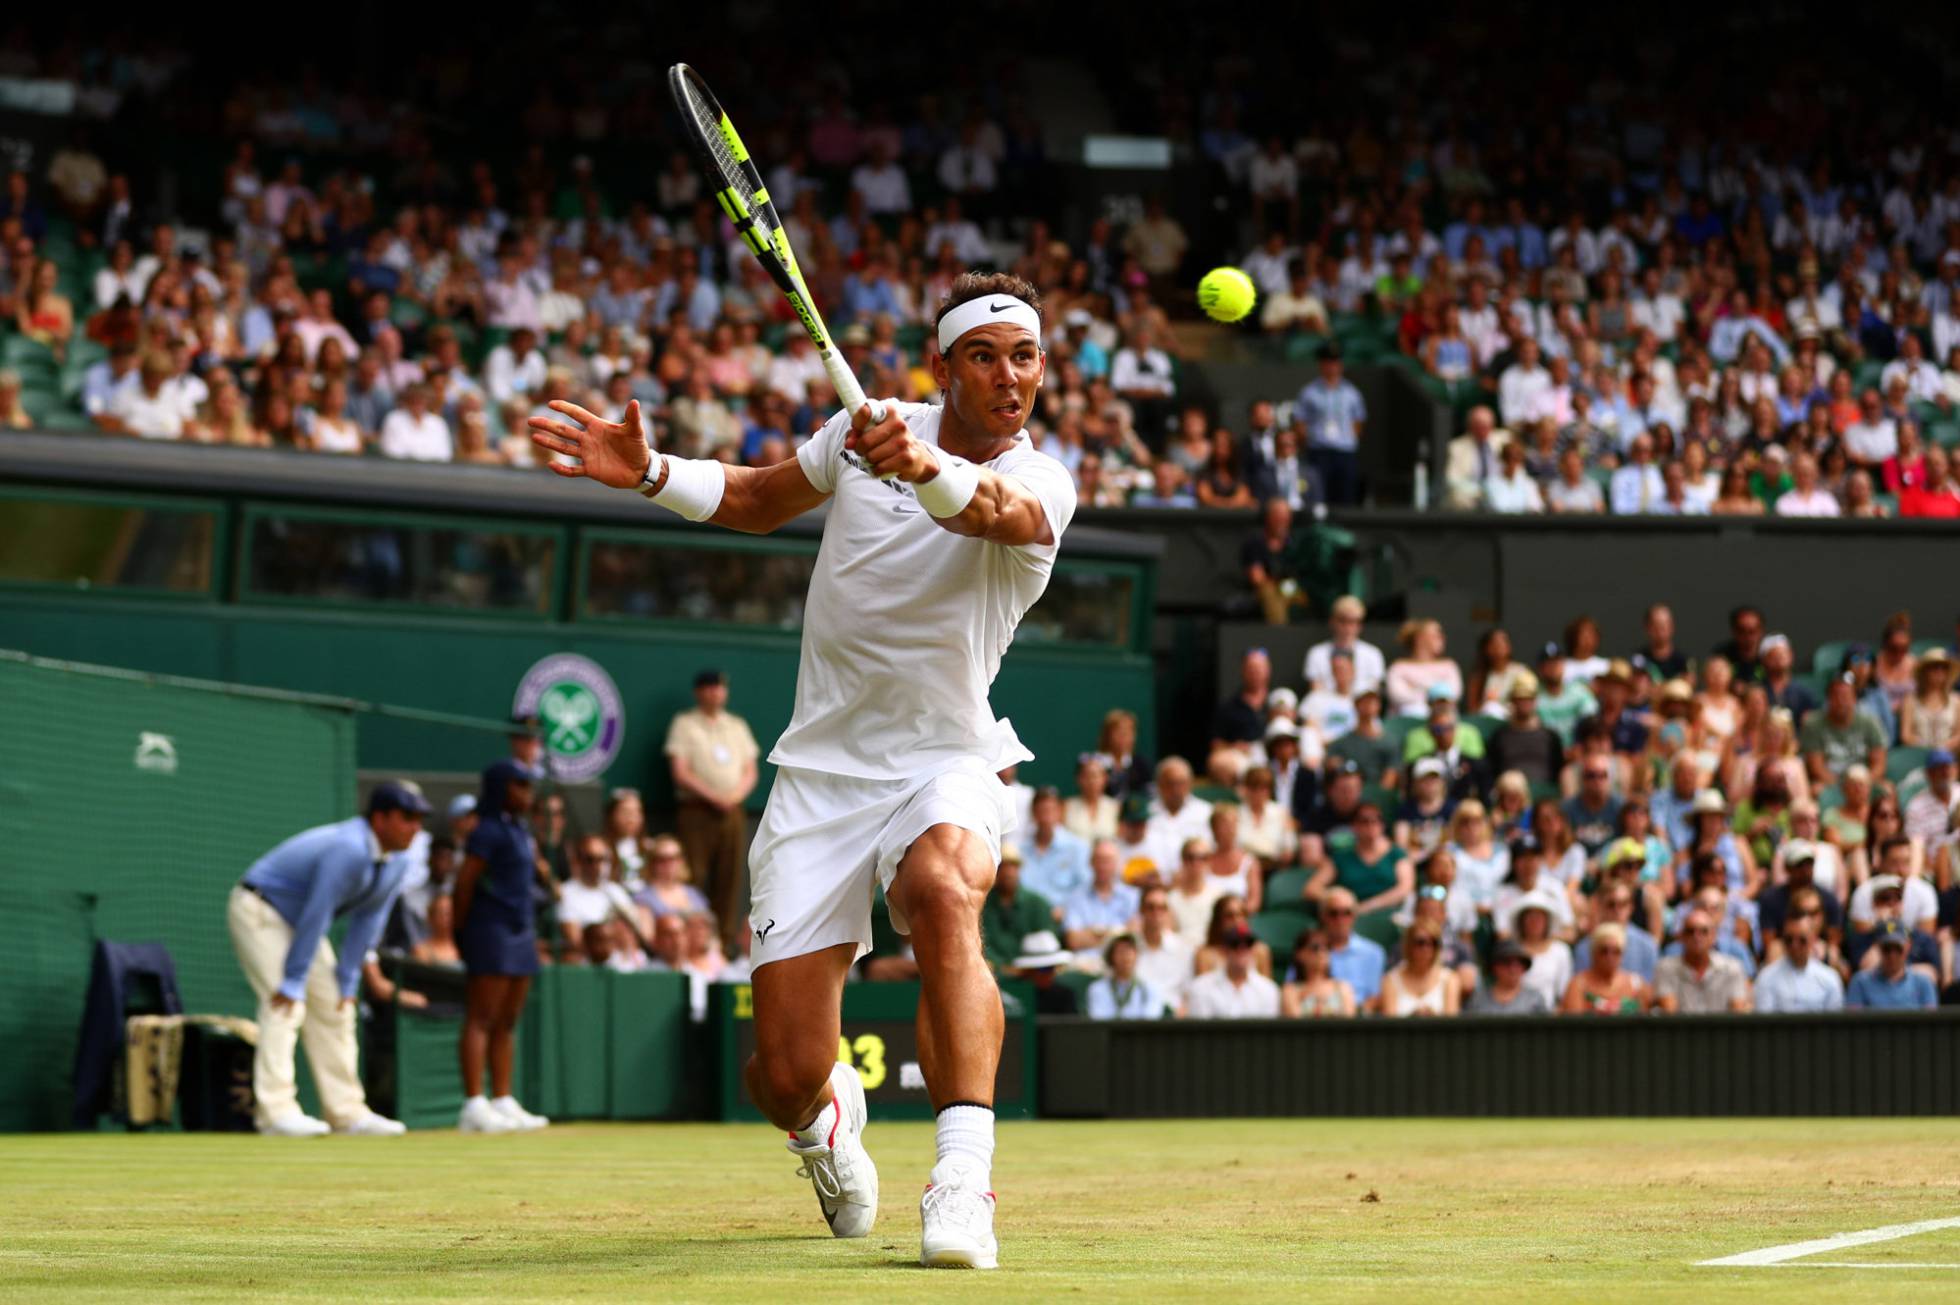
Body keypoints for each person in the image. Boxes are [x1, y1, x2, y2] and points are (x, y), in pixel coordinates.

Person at [532, 271, 1075, 1268]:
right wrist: (653, 472)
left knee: (944, 890)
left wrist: (921, 465)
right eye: (985, 356)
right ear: (944, 366)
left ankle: (962, 1181)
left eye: (1026, 356)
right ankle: (823, 1124)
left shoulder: (1044, 480)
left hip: (943, 758)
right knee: (781, 1072)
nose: (1011, 377)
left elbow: (990, 512)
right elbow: (752, 498)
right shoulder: (860, 435)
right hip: (820, 776)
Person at [227, 780, 428, 1137]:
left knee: (337, 1003)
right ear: (379, 819)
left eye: (419, 819)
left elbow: (368, 920)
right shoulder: (348, 849)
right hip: (260, 909)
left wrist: (348, 979)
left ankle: (347, 1113)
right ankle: (275, 1114)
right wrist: (293, 979)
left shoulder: (398, 861)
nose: (415, 827)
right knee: (285, 1002)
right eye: (406, 817)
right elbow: (318, 913)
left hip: (299, 922)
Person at [453, 760, 551, 1134]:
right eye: (520, 786)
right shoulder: (486, 831)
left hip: (520, 931)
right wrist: (461, 932)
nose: (528, 793)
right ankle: (474, 1103)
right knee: (482, 1016)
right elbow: (464, 884)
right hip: (490, 930)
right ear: (500, 788)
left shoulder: (520, 830)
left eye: (529, 786)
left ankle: (502, 1099)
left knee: (507, 1020)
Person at [666, 668, 761, 954]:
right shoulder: (684, 723)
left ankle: (722, 943)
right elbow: (680, 772)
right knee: (693, 874)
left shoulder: (737, 725)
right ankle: (689, 941)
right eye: (708, 687)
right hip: (696, 810)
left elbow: (750, 771)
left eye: (719, 687)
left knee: (729, 878)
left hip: (732, 812)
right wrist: (713, 796)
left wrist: (733, 797)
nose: (714, 692)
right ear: (698, 692)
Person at [1652, 908, 1752, 1013]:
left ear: (1714, 936)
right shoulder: (1665, 968)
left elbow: (1738, 1012)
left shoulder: (1732, 968)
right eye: (1690, 931)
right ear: (1681, 936)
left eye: (1704, 931)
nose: (1697, 936)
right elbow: (1669, 1013)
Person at [980, 845, 1053, 975]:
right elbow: (982, 942)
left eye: (1013, 867)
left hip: (1032, 974)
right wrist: (1000, 966)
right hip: (993, 972)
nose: (1008, 872)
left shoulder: (1037, 903)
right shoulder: (982, 904)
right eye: (1003, 867)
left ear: (1019, 870)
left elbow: (1046, 942)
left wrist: (1027, 968)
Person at [1184, 926, 1282, 1018]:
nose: (1242, 949)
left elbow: (1268, 1033)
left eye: (1248, 944)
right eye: (1235, 944)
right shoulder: (1201, 987)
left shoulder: (1269, 990)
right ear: (1224, 950)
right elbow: (1200, 1032)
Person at [1753, 921, 1845, 1013]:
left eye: (1802, 940)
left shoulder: (1829, 978)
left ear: (1813, 940)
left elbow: (1834, 1023)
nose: (1794, 945)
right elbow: (1764, 1022)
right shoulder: (1767, 976)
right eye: (1789, 940)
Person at [1318, 886, 1386, 1011]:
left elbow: (1375, 997)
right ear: (1323, 916)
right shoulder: (1311, 950)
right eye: (1334, 913)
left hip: (1358, 1023)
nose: (1340, 919)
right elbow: (1295, 987)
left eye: (1346, 913)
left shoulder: (1373, 953)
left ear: (1354, 916)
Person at [1561, 923, 1652, 1014]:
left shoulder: (1636, 984)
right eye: (1604, 951)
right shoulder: (1579, 985)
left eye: (1616, 952)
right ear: (1594, 953)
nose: (1610, 956)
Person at [1303, 596, 1386, 695]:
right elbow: (1316, 693)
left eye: (1354, 621)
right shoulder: (1316, 653)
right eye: (1343, 621)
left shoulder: (1373, 654)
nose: (1348, 627)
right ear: (1332, 621)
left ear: (1360, 624)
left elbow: (1373, 694)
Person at [1133, 885, 1196, 1014]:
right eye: (1151, 907)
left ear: (1168, 912)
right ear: (1141, 910)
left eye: (1162, 908)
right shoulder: (1129, 947)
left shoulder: (1184, 949)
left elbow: (1188, 994)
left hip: (1172, 1022)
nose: (1156, 913)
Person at [1845, 922, 1937, 1009]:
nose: (1892, 955)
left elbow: (1931, 1023)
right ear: (1878, 948)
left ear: (1907, 947)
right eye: (1887, 949)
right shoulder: (1860, 982)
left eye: (1897, 948)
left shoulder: (1923, 983)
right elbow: (1853, 1022)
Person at [1378, 923, 1462, 1016]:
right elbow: (1389, 1024)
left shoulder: (1450, 979)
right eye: (1420, 942)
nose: (1427, 948)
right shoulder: (1390, 980)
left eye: (1433, 943)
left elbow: (1452, 1023)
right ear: (1409, 945)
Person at [1280, 927, 1356, 1017]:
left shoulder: (1343, 987)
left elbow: (1349, 1023)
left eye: (1327, 947)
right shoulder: (1290, 990)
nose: (1322, 952)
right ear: (1299, 954)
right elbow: (1295, 1023)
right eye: (1315, 947)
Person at [1084, 934, 1164, 1019]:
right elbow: (1099, 1019)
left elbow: (1150, 1021)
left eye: (1130, 950)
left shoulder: (1150, 988)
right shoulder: (1097, 989)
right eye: (1120, 951)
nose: (1126, 956)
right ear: (1110, 957)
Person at [1466, 940, 1551, 1015]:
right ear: (1494, 967)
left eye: (1519, 963)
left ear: (1524, 968)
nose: (1513, 969)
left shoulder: (1535, 998)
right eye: (1506, 963)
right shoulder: (1478, 999)